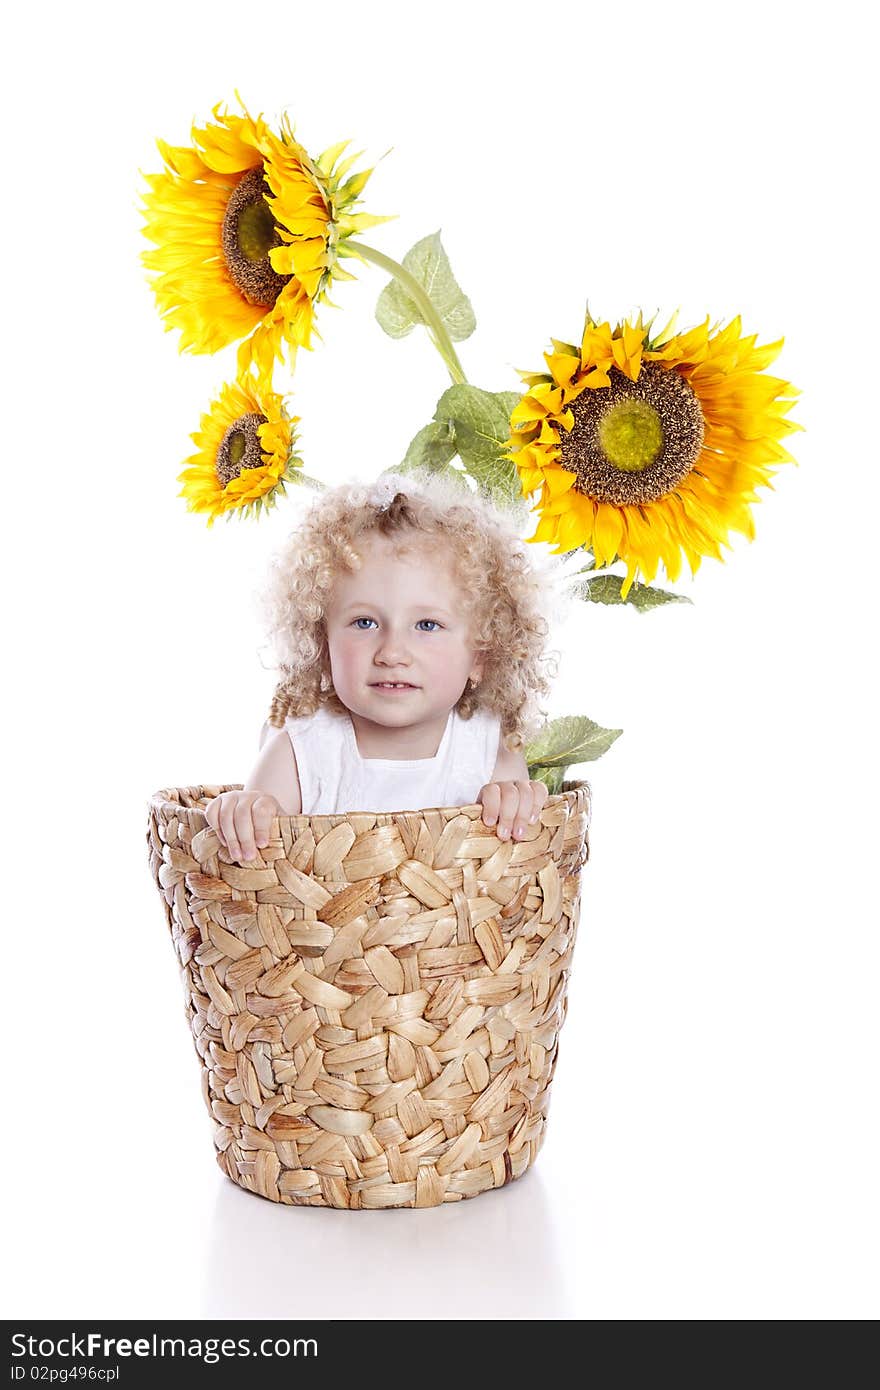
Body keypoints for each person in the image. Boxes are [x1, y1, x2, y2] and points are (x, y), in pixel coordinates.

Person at [205, 472, 560, 862]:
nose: (392, 653)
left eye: (427, 625)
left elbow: (514, 857)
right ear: (323, 645)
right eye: (364, 623)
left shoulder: (488, 746)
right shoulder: (303, 747)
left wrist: (515, 800)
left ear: (480, 655)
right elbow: (259, 851)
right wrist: (244, 812)